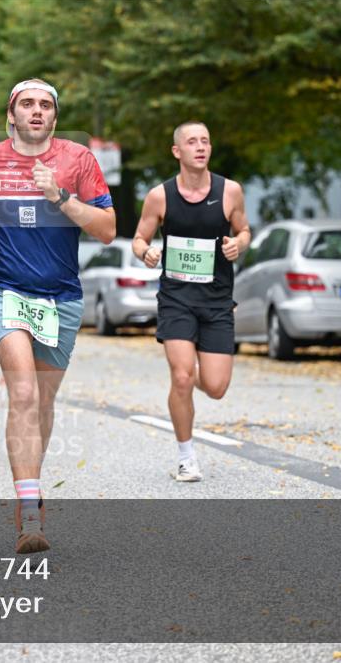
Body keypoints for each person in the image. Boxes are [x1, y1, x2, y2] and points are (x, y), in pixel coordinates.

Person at [0, 78, 116, 553]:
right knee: (21, 389)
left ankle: (32, 485)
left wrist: (61, 197)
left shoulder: (79, 161)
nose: (37, 111)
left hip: (60, 297)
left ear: (55, 117)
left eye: (46, 105)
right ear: (12, 113)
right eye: (27, 103)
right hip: (4, 289)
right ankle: (30, 515)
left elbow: (108, 229)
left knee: (41, 403)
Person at [132, 121, 250, 483]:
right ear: (177, 151)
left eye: (205, 141)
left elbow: (244, 230)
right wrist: (146, 253)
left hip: (216, 301)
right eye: (192, 142)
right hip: (176, 299)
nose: (200, 147)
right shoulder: (160, 196)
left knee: (215, 387)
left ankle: (196, 372)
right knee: (181, 377)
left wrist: (238, 244)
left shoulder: (230, 191)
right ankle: (186, 457)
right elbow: (139, 238)